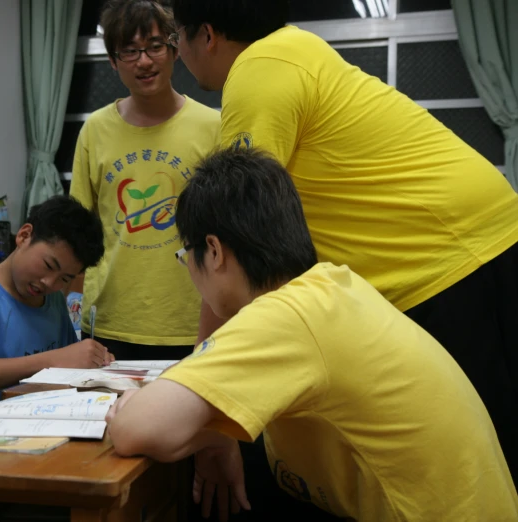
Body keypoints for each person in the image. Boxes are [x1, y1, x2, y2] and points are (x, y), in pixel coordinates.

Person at [170, 0, 518, 477]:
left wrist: (200, 385)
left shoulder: (257, 71)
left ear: (206, 35)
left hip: (447, 260)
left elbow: (229, 239)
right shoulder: (296, 47)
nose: (177, 56)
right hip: (485, 235)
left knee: (474, 460)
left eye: (175, 40)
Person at [106, 147, 518, 521]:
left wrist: (129, 403)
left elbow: (139, 429)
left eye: (185, 257)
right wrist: (215, 439)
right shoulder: (332, 287)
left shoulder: (285, 317)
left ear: (213, 251)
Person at [69, 0, 220, 361]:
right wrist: (69, 321)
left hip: (192, 323)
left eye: (154, 46)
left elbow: (228, 233)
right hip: (107, 323)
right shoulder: (95, 130)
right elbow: (77, 232)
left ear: (175, 50)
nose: (144, 61)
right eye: (130, 51)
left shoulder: (212, 127)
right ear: (112, 61)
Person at [0, 195, 112, 388]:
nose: (49, 283)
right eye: (48, 265)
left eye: (64, 279)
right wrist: (53, 359)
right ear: (24, 236)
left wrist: (93, 357)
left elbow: (69, 359)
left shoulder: (53, 298)